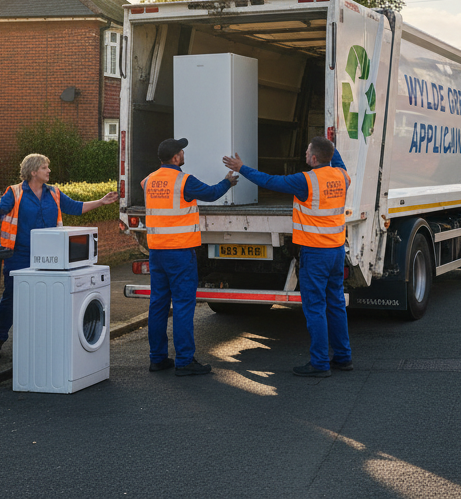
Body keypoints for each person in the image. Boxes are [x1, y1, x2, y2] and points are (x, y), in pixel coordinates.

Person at [224, 136, 351, 378]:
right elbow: (337, 159)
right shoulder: (342, 177)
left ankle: (320, 363)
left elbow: (270, 181)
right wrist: (332, 143)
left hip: (315, 253)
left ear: (314, 158)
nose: (304, 154)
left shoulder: (305, 181)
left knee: (315, 308)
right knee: (335, 304)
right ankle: (343, 358)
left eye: (307, 151)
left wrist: (242, 168)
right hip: (336, 250)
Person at [0, 153, 116, 357]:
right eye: (45, 167)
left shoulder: (54, 193)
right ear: (33, 171)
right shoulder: (15, 192)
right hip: (19, 256)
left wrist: (101, 201)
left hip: (50, 257)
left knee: (47, 297)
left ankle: (42, 341)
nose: (49, 171)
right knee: (12, 298)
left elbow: (75, 207)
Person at [144, 137, 237, 377]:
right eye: (181, 152)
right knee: (184, 306)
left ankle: (157, 358)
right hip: (180, 252)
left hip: (156, 252)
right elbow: (211, 193)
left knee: (158, 305)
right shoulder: (184, 181)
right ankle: (184, 361)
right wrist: (228, 182)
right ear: (176, 158)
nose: (184, 154)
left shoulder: (149, 181)